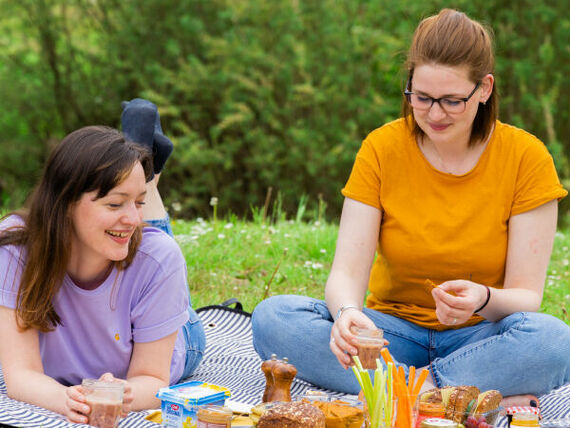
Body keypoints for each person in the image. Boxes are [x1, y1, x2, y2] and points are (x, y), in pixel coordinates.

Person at [251, 9, 569, 406]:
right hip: (387, 334)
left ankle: (401, 391)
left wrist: (483, 298)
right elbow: (346, 275)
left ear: (484, 89)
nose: (435, 114)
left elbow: (526, 297)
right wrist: (349, 312)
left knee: (553, 340)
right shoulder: (381, 149)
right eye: (421, 98)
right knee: (273, 318)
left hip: (480, 335)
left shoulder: (527, 157)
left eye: (452, 101)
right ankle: (451, 395)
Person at [0, 123, 205, 424]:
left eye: (138, 203)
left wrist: (129, 392)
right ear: (65, 202)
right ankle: (141, 176)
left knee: (155, 248)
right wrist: (67, 400)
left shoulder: (159, 259)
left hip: (176, 338)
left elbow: (152, 377)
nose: (134, 218)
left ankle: (149, 183)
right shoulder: (16, 249)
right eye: (114, 203)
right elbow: (21, 375)